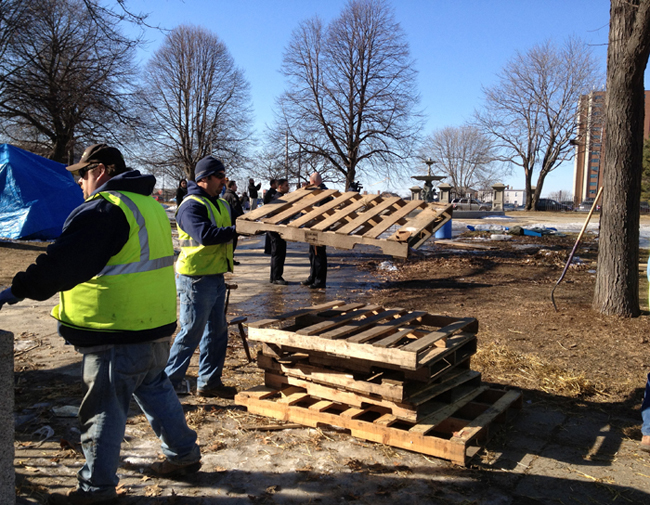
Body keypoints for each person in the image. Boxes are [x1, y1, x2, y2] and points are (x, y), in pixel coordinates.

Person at [0, 144, 201, 505]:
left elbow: (63, 263)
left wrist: (16, 290)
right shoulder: (150, 206)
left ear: (103, 170)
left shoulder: (107, 208)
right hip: (152, 327)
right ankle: (184, 453)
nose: (79, 181)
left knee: (104, 408)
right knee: (154, 388)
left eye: (84, 173)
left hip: (115, 330)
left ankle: (96, 490)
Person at [165, 156, 238, 399]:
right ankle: (166, 386)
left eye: (224, 176)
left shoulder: (220, 203)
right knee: (190, 333)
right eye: (219, 176)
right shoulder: (191, 205)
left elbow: (229, 229)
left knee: (217, 332)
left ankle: (209, 382)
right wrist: (237, 231)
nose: (223, 181)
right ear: (203, 179)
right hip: (195, 279)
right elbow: (205, 235)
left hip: (215, 276)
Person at [301, 172, 328, 289]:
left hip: (319, 227)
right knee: (312, 254)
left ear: (314, 182)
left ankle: (319, 280)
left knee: (318, 255)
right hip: (313, 226)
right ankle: (313, 277)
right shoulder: (318, 191)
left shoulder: (323, 193)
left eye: (311, 182)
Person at [268, 178, 289, 285]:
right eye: (286, 185)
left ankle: (274, 277)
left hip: (278, 229)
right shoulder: (278, 199)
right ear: (280, 186)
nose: (288, 187)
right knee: (278, 253)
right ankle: (276, 277)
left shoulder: (279, 198)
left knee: (278, 253)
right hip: (276, 229)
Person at [223, 180, 244, 265]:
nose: (236, 187)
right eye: (235, 185)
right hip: (232, 221)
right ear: (231, 186)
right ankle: (229, 259)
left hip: (229, 221)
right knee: (232, 241)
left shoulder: (225, 195)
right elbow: (235, 209)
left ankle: (229, 258)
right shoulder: (231, 196)